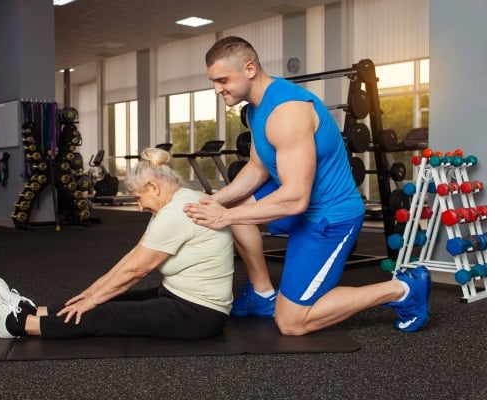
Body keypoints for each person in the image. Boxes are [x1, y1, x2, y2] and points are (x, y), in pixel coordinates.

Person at [183, 36, 431, 336]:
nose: (217, 89)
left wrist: (224, 217)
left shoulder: (286, 112)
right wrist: (214, 200)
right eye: (213, 81)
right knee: (232, 204)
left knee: (291, 323)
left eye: (222, 80)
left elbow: (296, 199)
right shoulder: (253, 110)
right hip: (300, 205)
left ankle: (403, 289)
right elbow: (257, 168)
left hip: (330, 218)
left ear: (249, 68)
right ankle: (263, 295)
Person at [0, 148, 234, 340]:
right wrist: (91, 293)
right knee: (106, 300)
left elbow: (137, 270)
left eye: (138, 198)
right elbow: (134, 256)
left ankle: (17, 324)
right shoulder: (176, 202)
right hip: (178, 297)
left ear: (153, 187)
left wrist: (93, 302)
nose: (140, 206)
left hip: (198, 314)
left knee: (104, 313)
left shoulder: (178, 211)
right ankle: (35, 310)